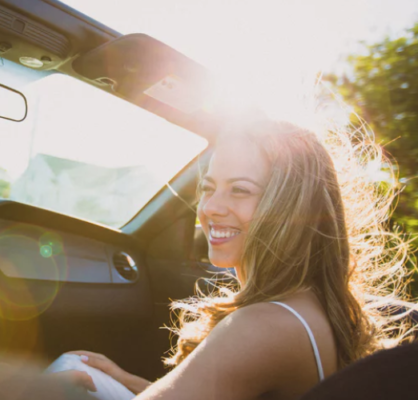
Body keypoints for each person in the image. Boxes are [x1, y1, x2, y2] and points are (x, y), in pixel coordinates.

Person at [54, 118, 414, 400]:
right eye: (208, 188)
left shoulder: (263, 325)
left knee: (65, 372)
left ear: (292, 209)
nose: (210, 208)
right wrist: (130, 382)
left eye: (240, 190)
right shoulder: (309, 305)